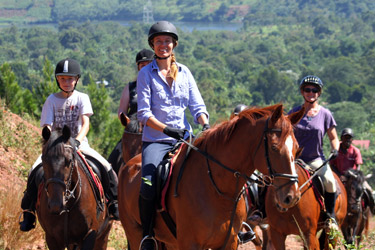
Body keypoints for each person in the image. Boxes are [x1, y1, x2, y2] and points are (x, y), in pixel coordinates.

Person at [19, 58, 119, 232]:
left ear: (77, 79)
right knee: (34, 170)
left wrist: (77, 141)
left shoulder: (82, 98)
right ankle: (29, 212)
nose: (67, 82)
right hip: (55, 147)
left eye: (70, 78)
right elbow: (47, 126)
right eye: (63, 79)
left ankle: (113, 204)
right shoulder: (51, 100)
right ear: (58, 80)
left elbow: (85, 123)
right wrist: (49, 140)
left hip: (79, 144)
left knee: (105, 166)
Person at [137, 21, 210, 250]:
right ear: (153, 45)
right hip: (157, 140)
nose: (163, 45)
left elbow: (197, 106)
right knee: (148, 184)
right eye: (158, 41)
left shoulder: (185, 72)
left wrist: (205, 125)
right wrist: (166, 129)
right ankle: (148, 234)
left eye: (167, 41)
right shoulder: (146, 75)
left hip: (185, 138)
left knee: (214, 171)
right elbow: (143, 114)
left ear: (174, 44)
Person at [289, 75, 339, 230]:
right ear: (302, 92)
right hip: (294, 160)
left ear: (319, 93)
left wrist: (335, 149)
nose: (311, 93)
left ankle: (330, 217)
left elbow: (333, 137)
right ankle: (262, 213)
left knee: (330, 182)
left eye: (314, 90)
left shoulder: (325, 114)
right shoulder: (294, 112)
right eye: (307, 89)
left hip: (315, 159)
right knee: (272, 179)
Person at [107, 49, 154, 173]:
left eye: (149, 64)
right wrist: (128, 121)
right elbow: (121, 111)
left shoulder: (159, 86)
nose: (145, 67)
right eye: (142, 65)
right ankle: (111, 189)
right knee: (112, 160)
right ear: (138, 68)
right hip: (133, 130)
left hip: (153, 128)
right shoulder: (131, 87)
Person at [330, 128, 375, 213]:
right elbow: (331, 164)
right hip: (338, 177)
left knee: (368, 190)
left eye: (349, 138)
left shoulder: (355, 151)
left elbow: (358, 166)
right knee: (329, 190)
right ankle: (330, 212)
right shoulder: (336, 150)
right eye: (345, 137)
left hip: (353, 178)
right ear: (341, 138)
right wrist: (340, 176)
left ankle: (372, 210)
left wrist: (355, 177)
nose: (347, 140)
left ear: (352, 139)